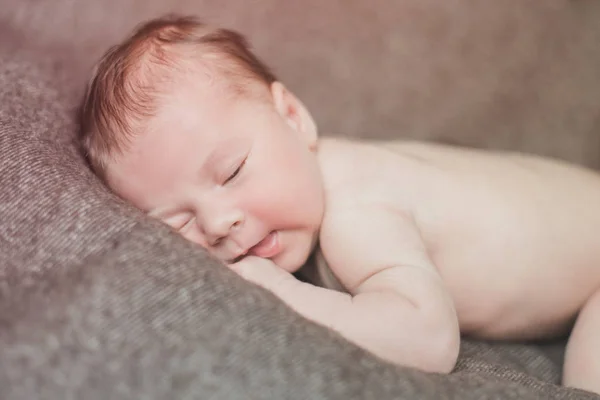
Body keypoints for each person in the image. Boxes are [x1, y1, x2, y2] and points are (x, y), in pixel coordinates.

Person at [79, 15, 600, 395]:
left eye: (232, 171)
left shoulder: (358, 208)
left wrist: (280, 291)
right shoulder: (316, 181)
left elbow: (429, 340)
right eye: (178, 222)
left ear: (294, 118)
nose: (217, 224)